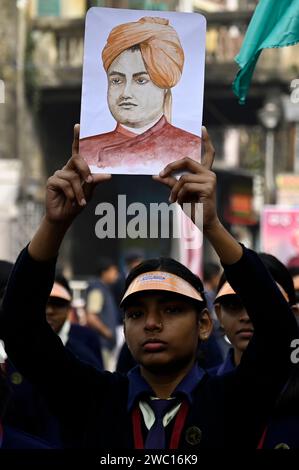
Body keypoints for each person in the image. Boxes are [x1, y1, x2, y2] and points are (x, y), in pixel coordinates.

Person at [0, 125, 297, 450]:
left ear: (203, 323)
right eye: (136, 313)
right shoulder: (93, 399)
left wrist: (211, 226)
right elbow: (20, 328)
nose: (152, 324)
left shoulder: (235, 398)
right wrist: (54, 225)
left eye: (171, 310)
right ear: (125, 327)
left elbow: (278, 330)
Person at [80, 17, 201, 174]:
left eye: (141, 80)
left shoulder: (192, 148)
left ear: (164, 85)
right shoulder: (85, 150)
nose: (126, 93)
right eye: (116, 80)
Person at [210, 252, 299, 376]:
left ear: (293, 315)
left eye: (264, 306)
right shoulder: (201, 391)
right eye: (233, 305)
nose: (247, 317)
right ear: (219, 314)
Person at [86, 257, 119, 370]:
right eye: (114, 271)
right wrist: (107, 332)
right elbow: (91, 317)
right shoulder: (97, 289)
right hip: (101, 344)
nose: (116, 274)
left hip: (106, 344)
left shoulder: (105, 289)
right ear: (105, 272)